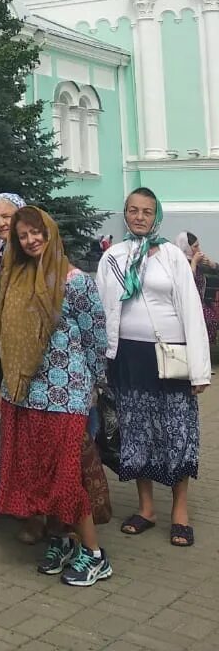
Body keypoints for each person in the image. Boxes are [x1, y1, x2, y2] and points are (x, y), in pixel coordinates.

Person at [0, 206, 112, 587]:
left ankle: (95, 555)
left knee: (67, 475)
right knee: (41, 473)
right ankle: (62, 541)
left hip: (67, 392)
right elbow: (9, 339)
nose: (31, 241)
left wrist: (95, 385)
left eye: (36, 232)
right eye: (23, 235)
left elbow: (95, 335)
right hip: (26, 392)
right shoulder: (16, 277)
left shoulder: (74, 281)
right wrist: (5, 386)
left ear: (50, 232)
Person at [96, 188, 210, 547]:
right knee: (136, 432)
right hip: (128, 358)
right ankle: (146, 508)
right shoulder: (114, 256)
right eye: (133, 210)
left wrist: (200, 369)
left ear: (156, 215)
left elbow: (191, 309)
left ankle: (180, 509)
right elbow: (101, 309)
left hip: (170, 356)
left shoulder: (173, 257)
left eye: (147, 211)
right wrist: (100, 361)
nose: (140, 216)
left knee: (177, 430)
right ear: (126, 214)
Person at [176, 231, 219, 343]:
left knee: (211, 319)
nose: (199, 249)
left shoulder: (197, 261)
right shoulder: (179, 262)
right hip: (187, 307)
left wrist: (212, 265)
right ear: (186, 247)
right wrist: (194, 263)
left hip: (200, 305)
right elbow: (186, 284)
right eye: (195, 246)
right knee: (207, 321)